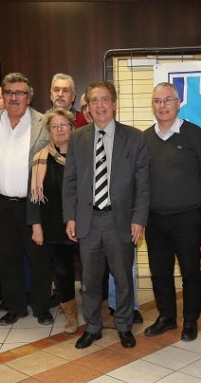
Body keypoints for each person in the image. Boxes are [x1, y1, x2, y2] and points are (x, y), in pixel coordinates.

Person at [63, 80, 149, 350]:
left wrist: (138, 219)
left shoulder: (135, 138)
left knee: (123, 278)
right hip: (88, 221)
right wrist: (70, 217)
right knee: (89, 282)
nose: (99, 105)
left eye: (105, 99)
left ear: (114, 103)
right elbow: (71, 181)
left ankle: (124, 326)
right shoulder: (78, 137)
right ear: (87, 106)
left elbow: (143, 184)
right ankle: (93, 327)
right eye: (94, 101)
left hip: (120, 221)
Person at [0, 72, 52, 326]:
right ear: (3, 96)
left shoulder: (43, 123)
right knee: (8, 258)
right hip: (2, 203)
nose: (14, 97)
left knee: (39, 258)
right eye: (9, 93)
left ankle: (42, 306)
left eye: (20, 93)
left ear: (29, 96)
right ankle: (15, 307)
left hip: (33, 204)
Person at [142, 82, 201, 342]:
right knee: (160, 272)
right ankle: (166, 317)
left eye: (168, 100)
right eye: (158, 101)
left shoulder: (194, 135)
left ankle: (190, 320)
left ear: (178, 103)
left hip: (187, 217)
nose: (163, 105)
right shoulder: (144, 138)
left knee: (190, 271)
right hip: (154, 219)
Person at [28, 108, 80, 334]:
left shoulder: (84, 154)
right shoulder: (40, 158)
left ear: (72, 127)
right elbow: (33, 197)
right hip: (53, 225)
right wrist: (36, 226)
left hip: (85, 222)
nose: (59, 130)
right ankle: (70, 313)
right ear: (49, 130)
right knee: (62, 271)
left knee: (94, 269)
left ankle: (102, 309)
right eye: (54, 126)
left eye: (64, 125)